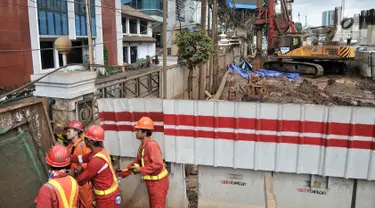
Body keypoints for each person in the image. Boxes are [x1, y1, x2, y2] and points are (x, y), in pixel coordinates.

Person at [117, 117, 169, 208]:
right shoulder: (143, 145)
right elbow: (137, 162)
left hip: (158, 184)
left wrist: (140, 169)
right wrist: (121, 173)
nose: (135, 132)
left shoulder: (151, 145)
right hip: (153, 183)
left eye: (138, 130)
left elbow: (158, 164)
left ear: (145, 132)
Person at [69, 125, 121, 208]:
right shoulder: (99, 152)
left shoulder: (96, 161)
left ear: (91, 141)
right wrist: (66, 157)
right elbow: (81, 158)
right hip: (108, 195)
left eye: (85, 138)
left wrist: (67, 179)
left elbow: (81, 180)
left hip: (107, 198)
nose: (83, 140)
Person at [65, 120, 93, 208]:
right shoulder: (68, 148)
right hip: (73, 181)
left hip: (84, 182)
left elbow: (90, 161)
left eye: (69, 131)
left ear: (76, 131)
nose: (66, 133)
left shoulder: (84, 145)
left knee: (86, 205)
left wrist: (76, 170)